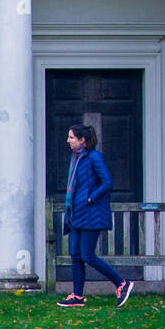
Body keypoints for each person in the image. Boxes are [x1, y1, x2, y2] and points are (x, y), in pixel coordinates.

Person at [57, 124, 134, 307]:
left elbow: (107, 182)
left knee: (88, 256)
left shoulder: (94, 157)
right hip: (76, 213)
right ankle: (77, 296)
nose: (68, 140)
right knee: (75, 255)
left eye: (71, 137)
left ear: (82, 140)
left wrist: (90, 198)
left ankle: (122, 283)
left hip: (91, 214)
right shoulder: (76, 158)